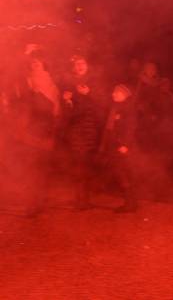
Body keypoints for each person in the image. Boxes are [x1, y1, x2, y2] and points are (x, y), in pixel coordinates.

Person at [9, 53, 60, 217]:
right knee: (30, 169)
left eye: (37, 63)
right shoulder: (27, 82)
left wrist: (38, 95)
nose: (34, 65)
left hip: (45, 131)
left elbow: (54, 109)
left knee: (42, 169)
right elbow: (22, 105)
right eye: (32, 63)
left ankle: (40, 201)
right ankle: (32, 204)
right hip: (30, 132)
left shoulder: (51, 84)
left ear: (44, 64)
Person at [61, 55, 107, 211]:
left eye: (82, 63)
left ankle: (84, 198)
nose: (79, 66)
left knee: (85, 162)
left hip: (90, 126)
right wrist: (67, 101)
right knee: (77, 162)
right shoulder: (69, 83)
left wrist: (89, 93)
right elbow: (67, 110)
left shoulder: (95, 81)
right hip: (75, 127)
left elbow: (103, 103)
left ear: (87, 66)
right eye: (77, 64)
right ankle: (80, 198)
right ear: (73, 68)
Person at [101, 84, 138, 213]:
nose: (113, 94)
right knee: (121, 173)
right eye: (113, 92)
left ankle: (130, 204)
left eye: (116, 93)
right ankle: (130, 202)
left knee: (123, 173)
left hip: (121, 146)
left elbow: (131, 128)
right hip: (114, 145)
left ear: (124, 95)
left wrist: (125, 144)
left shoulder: (128, 109)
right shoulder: (115, 107)